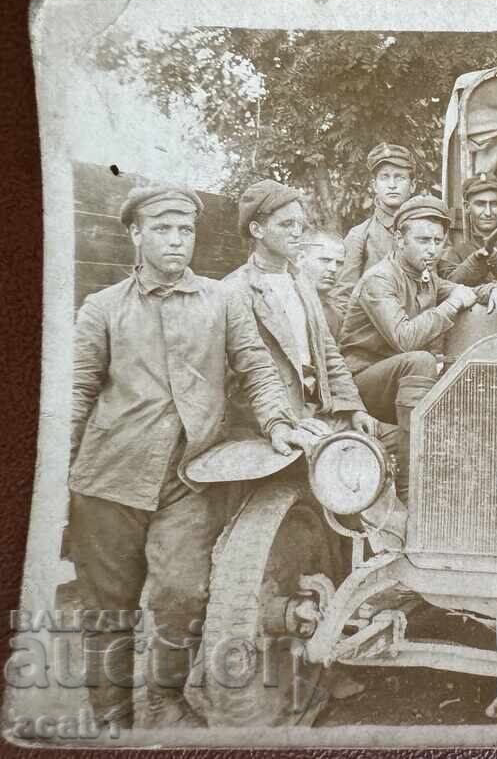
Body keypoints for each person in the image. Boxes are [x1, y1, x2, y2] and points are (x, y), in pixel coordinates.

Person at [69, 186, 308, 729]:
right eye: (162, 229)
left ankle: (165, 696)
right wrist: (62, 481)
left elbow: (255, 367)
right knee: (108, 610)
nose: (177, 241)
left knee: (183, 593)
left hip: (189, 476)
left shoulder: (222, 301)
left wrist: (276, 424)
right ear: (136, 233)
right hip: (109, 480)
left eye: (185, 231)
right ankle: (111, 717)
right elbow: (75, 395)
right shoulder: (102, 309)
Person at [338, 195, 497, 497]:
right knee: (420, 360)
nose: (432, 250)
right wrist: (452, 306)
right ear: (399, 239)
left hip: (400, 382)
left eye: (437, 241)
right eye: (422, 240)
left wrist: (495, 289)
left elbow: (462, 289)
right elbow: (404, 338)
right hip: (362, 384)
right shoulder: (379, 280)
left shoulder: (423, 275)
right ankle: (410, 483)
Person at [225, 179, 376, 441]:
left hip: (320, 410)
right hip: (272, 422)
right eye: (286, 224)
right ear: (257, 229)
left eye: (299, 224)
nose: (297, 232)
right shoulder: (235, 289)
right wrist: (285, 423)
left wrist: (354, 408)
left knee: (395, 445)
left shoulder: (300, 281)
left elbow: (328, 353)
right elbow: (250, 372)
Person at [330, 142, 416, 314]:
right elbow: (343, 297)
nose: (392, 185)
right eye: (384, 177)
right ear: (375, 185)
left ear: (412, 185)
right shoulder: (360, 235)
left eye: (399, 177)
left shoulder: (428, 231)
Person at [435, 172, 497, 303]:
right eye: (480, 204)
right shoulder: (455, 252)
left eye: (494, 204)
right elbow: (447, 288)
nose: (488, 212)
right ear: (467, 207)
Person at [296, 230, 348, 338]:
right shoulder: (285, 302)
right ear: (300, 258)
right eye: (325, 260)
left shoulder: (335, 312)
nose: (333, 269)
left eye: (339, 263)